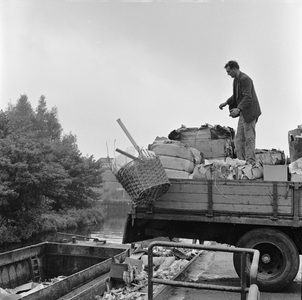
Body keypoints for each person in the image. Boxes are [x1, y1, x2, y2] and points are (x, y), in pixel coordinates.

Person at [219, 60, 261, 165]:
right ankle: (242, 162)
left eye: (229, 71)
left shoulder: (245, 79)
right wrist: (226, 102)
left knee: (249, 137)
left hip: (250, 113)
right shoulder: (236, 80)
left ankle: (250, 162)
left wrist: (238, 109)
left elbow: (248, 97)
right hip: (243, 113)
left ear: (234, 69)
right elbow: (236, 96)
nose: (228, 74)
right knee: (239, 139)